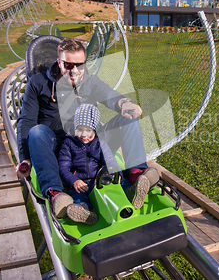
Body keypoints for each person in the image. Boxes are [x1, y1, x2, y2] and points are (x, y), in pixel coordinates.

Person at [16, 37, 159, 220]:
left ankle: (136, 175)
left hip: (90, 143)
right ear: (59, 62)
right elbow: (26, 120)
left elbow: (109, 95)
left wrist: (124, 103)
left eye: (80, 65)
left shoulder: (89, 82)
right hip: (59, 148)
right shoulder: (38, 83)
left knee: (128, 119)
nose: (74, 71)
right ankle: (57, 195)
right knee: (36, 132)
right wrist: (25, 158)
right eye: (68, 65)